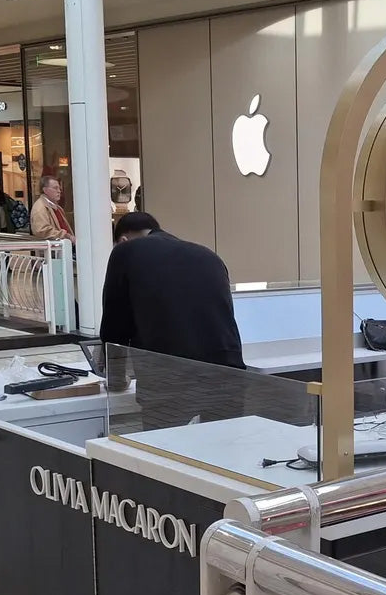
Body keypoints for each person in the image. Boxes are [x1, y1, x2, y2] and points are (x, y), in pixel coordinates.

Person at [100, 213, 247, 430]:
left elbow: (114, 325)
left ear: (122, 239)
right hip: (228, 373)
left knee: (163, 455)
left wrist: (115, 378)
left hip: (168, 377)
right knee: (221, 452)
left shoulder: (125, 252)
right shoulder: (207, 255)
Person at [30, 176, 74, 243]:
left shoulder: (58, 207)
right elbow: (41, 230)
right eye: (55, 188)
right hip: (52, 250)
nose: (59, 191)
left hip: (64, 247)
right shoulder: (40, 208)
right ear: (45, 190)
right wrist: (66, 235)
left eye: (59, 188)